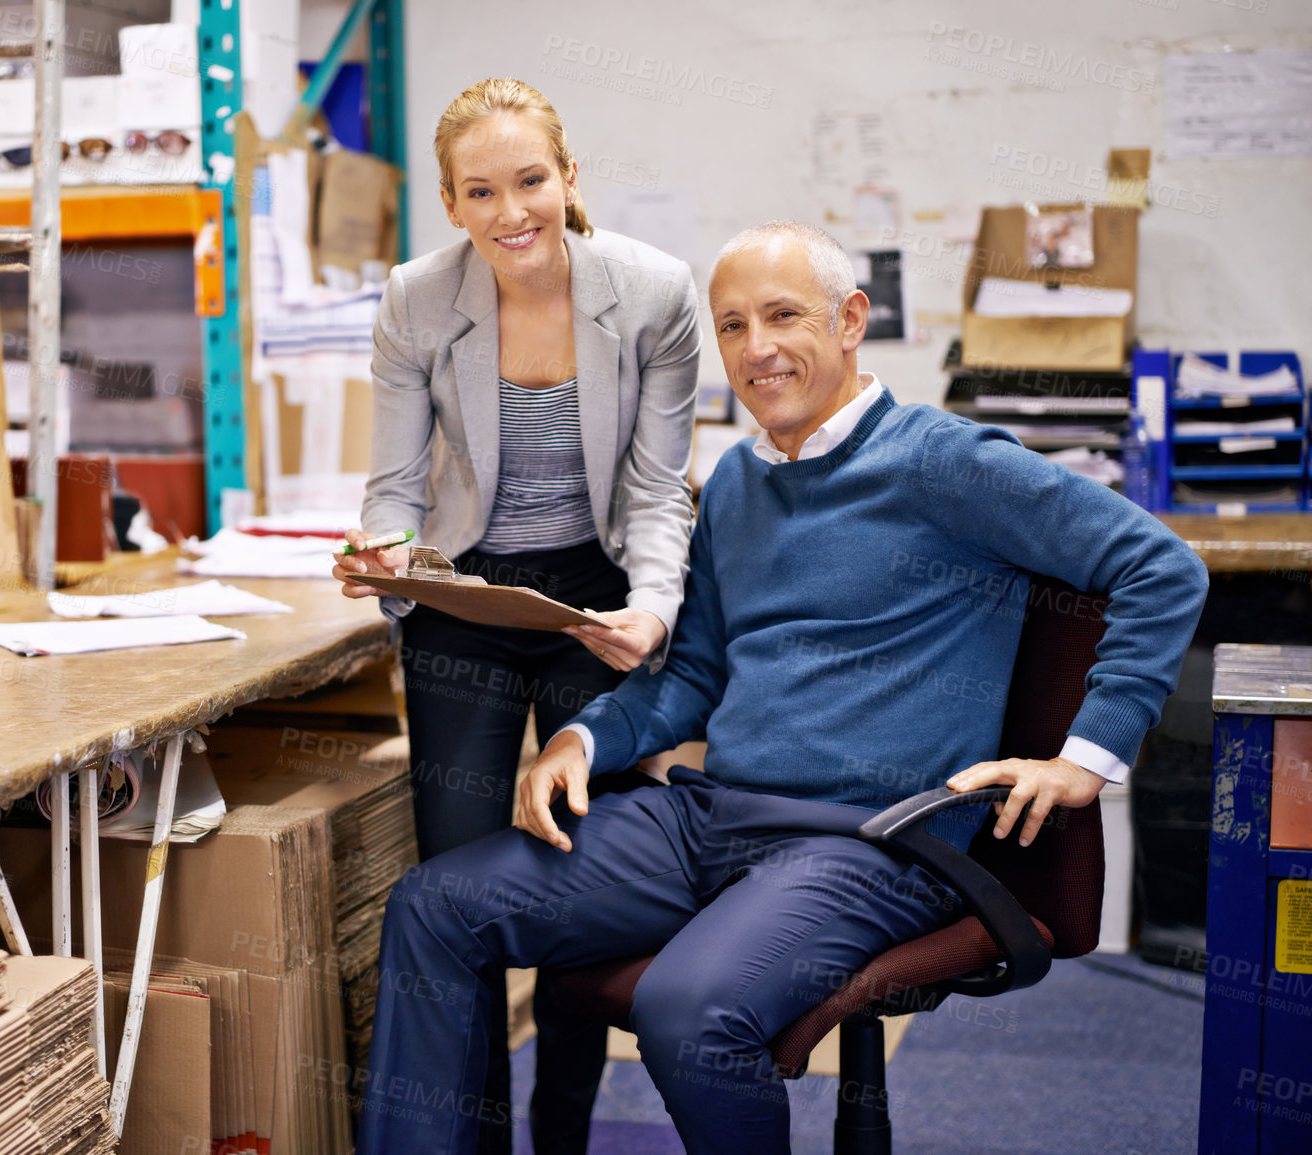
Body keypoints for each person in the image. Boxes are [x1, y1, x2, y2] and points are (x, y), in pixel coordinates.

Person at [353, 220, 1209, 1155]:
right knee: (435, 905)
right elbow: (693, 676)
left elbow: (1162, 569)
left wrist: (1085, 756)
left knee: (687, 1008)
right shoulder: (732, 485)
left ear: (849, 321)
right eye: (731, 325)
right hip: (712, 820)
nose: (755, 347)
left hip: (873, 840)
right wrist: (583, 739)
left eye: (782, 315)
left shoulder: (945, 462)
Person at [331, 78, 700, 1154]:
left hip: (598, 595)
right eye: (480, 191)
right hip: (470, 599)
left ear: (569, 178)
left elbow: (657, 487)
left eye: (530, 181)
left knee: (582, 878)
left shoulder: (652, 293)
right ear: (450, 203)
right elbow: (395, 485)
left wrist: (655, 612)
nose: (511, 213)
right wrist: (389, 557)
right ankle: (474, 1139)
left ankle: (565, 1128)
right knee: (457, 887)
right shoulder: (415, 298)